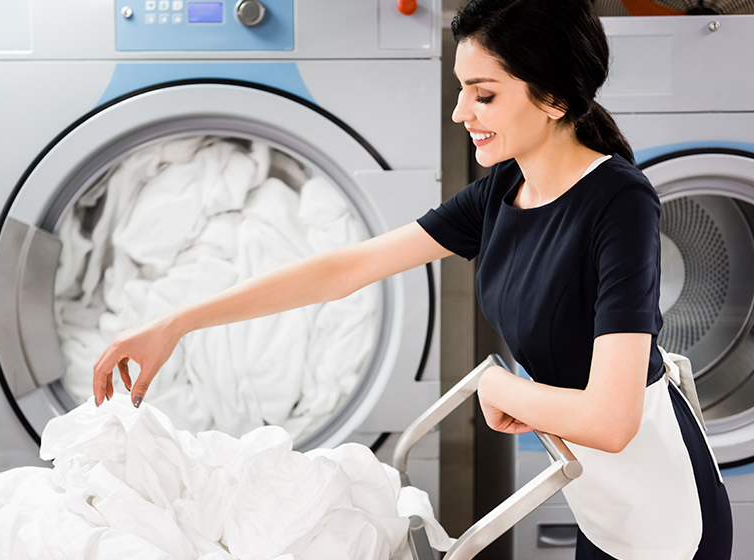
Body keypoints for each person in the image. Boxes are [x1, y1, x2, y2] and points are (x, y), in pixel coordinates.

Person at [93, 0, 733, 557]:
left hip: (664, 517)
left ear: (555, 99)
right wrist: (176, 324)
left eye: (483, 94)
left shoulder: (619, 201)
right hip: (596, 500)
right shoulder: (503, 191)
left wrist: (504, 391)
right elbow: (343, 271)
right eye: (462, 90)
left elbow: (612, 417)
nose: (461, 113)